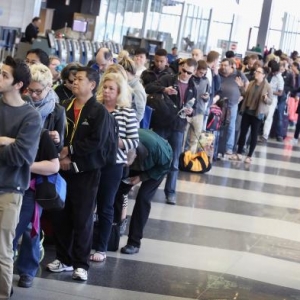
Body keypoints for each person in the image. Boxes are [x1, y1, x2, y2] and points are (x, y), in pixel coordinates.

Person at [46, 67, 113, 282]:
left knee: (82, 218)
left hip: (86, 171)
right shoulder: (64, 107)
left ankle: (81, 264)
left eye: (80, 79)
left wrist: (70, 152)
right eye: (74, 79)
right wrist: (60, 154)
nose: (75, 82)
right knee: (60, 215)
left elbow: (97, 142)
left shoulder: (99, 111)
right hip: (62, 169)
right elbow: (56, 134)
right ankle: (63, 259)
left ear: (92, 85)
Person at [12, 63, 66, 289]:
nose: (33, 96)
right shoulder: (17, 106)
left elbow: (61, 146)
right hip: (14, 173)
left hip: (37, 176)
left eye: (38, 91)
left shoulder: (56, 111)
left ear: (48, 88)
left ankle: (27, 269)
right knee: (12, 227)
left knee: (30, 226)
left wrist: (55, 139)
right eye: (30, 91)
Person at [0, 56, 42, 299]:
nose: (0, 77)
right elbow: (15, 150)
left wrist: (10, 144)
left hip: (10, 190)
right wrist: (6, 141)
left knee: (3, 251)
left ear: (18, 84)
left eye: (5, 75)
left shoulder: (31, 117)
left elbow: (21, 156)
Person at [91, 72, 139, 262]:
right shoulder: (95, 108)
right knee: (86, 205)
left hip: (113, 164)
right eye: (105, 87)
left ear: (119, 91)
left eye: (112, 88)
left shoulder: (126, 112)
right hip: (91, 163)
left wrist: (114, 142)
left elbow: (133, 141)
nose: (107, 91)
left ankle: (102, 247)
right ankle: (83, 243)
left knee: (106, 205)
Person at [146, 58, 197, 205]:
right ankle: (149, 188)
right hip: (162, 123)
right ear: (180, 68)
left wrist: (190, 111)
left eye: (189, 73)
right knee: (156, 157)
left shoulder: (193, 86)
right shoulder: (168, 78)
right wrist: (164, 89)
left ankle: (170, 192)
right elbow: (148, 88)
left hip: (178, 126)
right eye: (184, 71)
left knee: (174, 162)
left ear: (193, 73)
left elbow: (195, 106)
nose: (185, 74)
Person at [115, 129, 172, 254]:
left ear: (135, 156)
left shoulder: (159, 152)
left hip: (157, 166)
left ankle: (134, 243)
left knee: (143, 198)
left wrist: (142, 177)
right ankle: (113, 231)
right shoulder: (120, 144)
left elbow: (166, 165)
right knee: (116, 191)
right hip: (133, 162)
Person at [229, 66, 272, 164]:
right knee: (243, 132)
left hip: (257, 114)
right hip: (247, 111)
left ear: (263, 75)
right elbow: (245, 95)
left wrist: (265, 99)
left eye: (259, 72)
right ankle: (239, 153)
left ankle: (249, 155)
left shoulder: (267, 86)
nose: (256, 73)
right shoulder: (251, 83)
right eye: (256, 71)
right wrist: (240, 87)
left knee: (253, 134)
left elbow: (270, 101)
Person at [184, 60, 210, 153]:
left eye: (204, 73)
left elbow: (208, 95)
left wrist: (206, 97)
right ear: (195, 70)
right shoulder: (189, 78)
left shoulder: (206, 80)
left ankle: (190, 159)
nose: (202, 75)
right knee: (183, 138)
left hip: (199, 112)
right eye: (200, 72)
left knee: (194, 139)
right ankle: (180, 158)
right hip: (187, 111)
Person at [118, 55, 147, 122]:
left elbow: (139, 114)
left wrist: (129, 124)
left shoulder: (137, 89)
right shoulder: (125, 85)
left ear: (125, 72)